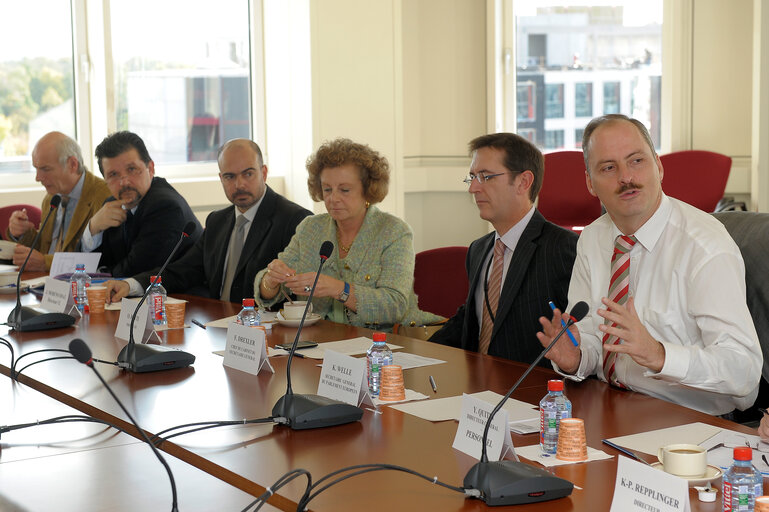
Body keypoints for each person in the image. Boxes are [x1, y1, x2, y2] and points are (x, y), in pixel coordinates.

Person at [537, 114, 761, 416]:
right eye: (608, 167)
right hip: (610, 406)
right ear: (591, 183)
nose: (626, 177)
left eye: (637, 161)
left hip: (691, 424)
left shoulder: (705, 247)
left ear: (659, 166)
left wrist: (659, 355)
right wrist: (576, 357)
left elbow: (744, 374)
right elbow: (592, 335)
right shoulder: (592, 239)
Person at [254, 138, 440, 331]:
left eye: (344, 190)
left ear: (368, 190)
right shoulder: (310, 228)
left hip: (380, 346)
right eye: (327, 189)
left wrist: (339, 289)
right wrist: (270, 280)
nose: (333, 198)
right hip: (317, 342)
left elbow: (395, 306)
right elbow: (269, 291)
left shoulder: (394, 232)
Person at [101, 139, 312, 304]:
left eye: (248, 174)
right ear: (221, 178)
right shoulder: (218, 221)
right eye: (230, 177)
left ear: (264, 173)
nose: (239, 184)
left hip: (264, 334)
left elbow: (297, 294)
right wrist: (131, 285)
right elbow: (181, 271)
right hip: (216, 325)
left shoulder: (295, 221)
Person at [429, 133, 577, 364]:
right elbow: (470, 319)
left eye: (486, 177)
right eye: (472, 177)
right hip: (476, 388)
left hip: (532, 392)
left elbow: (578, 337)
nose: (473, 188)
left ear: (523, 182)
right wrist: (413, 356)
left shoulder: (563, 248)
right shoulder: (479, 249)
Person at [80, 131, 202, 277]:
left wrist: (97, 274)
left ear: (150, 169)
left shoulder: (165, 206)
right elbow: (81, 265)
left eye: (131, 170)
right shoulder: (112, 205)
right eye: (113, 175)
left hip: (183, 296)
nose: (124, 182)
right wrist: (93, 228)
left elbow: (138, 270)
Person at [6, 132, 111, 271]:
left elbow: (99, 258)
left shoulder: (104, 195)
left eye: (45, 169)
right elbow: (45, 249)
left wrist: (46, 263)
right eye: (36, 169)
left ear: (73, 164)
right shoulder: (51, 198)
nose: (38, 178)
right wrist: (21, 232)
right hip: (43, 284)